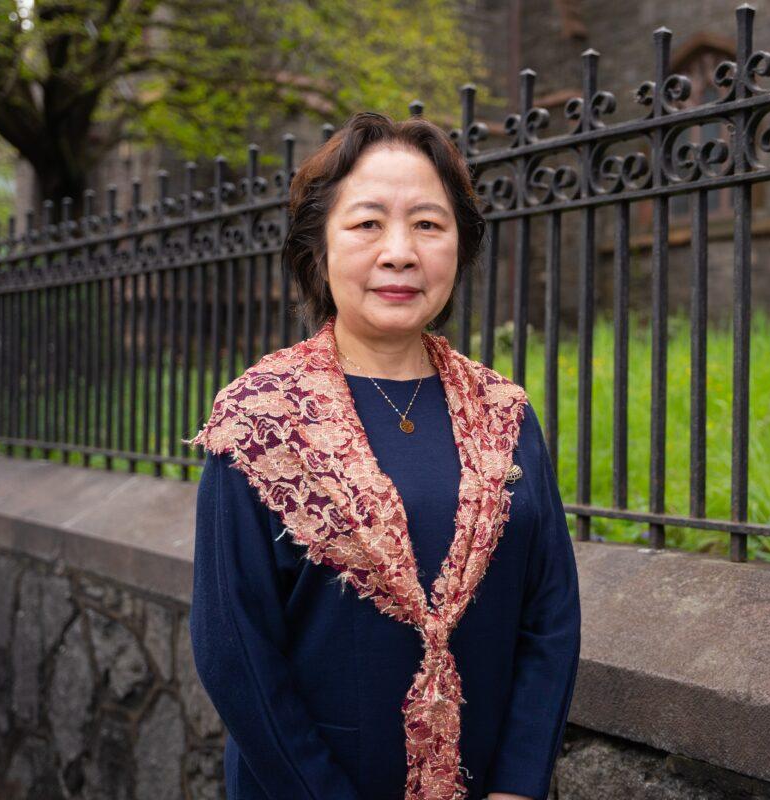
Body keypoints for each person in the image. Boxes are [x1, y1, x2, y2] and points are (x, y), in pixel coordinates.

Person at [186, 111, 581, 800]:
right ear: (318, 247)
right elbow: (235, 650)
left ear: (459, 246)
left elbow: (549, 616)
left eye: (428, 225)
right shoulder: (262, 418)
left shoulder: (504, 413)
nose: (400, 251)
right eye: (368, 223)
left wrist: (518, 785)